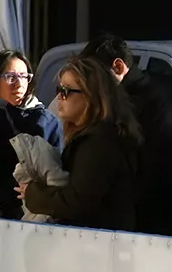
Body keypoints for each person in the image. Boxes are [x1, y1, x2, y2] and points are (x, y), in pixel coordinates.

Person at [81, 35, 172, 240]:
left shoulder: (158, 104)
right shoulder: (129, 100)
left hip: (162, 231)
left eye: (95, 75)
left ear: (118, 66)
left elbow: (162, 176)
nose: (91, 84)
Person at [20, 57, 141, 232]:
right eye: (59, 89)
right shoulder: (92, 135)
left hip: (100, 242)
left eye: (66, 91)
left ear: (90, 96)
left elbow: (77, 202)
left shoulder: (100, 142)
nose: (60, 97)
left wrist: (32, 193)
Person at [0, 49, 63, 218]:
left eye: (24, 77)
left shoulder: (44, 122)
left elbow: (39, 174)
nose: (19, 83)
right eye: (11, 77)